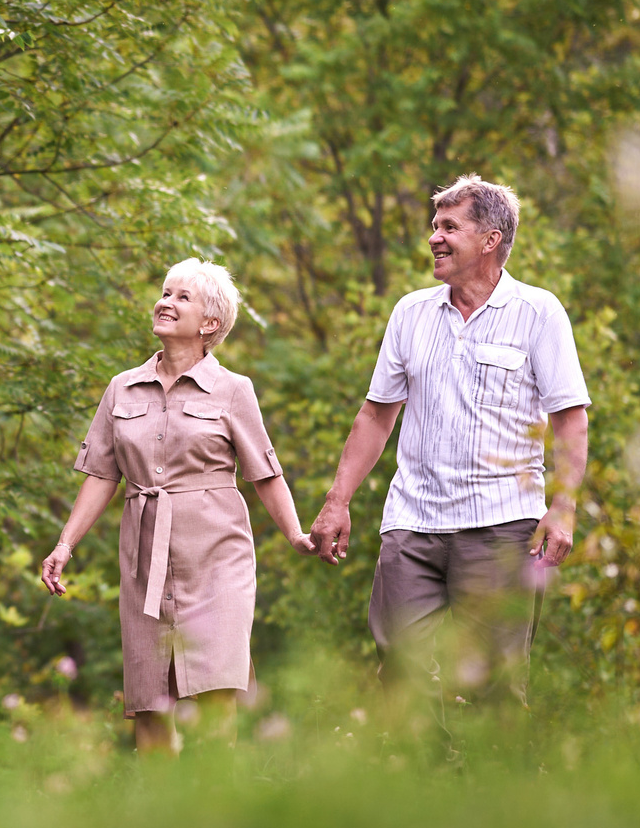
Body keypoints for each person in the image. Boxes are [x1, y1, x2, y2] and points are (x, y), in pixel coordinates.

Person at [307, 176, 590, 695]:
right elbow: (376, 415)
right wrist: (336, 500)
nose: (434, 237)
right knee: (401, 675)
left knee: (496, 687)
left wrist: (564, 506)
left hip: (502, 527)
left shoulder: (538, 313)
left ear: (490, 240)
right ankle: (416, 751)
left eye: (449, 227)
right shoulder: (410, 313)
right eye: (434, 226)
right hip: (412, 523)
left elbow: (570, 419)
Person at [39, 259, 310, 752]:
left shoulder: (234, 390)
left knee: (215, 691)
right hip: (145, 563)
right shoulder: (121, 387)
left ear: (210, 322)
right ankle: (159, 800)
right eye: (166, 293)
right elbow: (101, 474)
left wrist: (296, 535)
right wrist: (64, 544)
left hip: (217, 561)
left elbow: (265, 474)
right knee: (150, 701)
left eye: (183, 297)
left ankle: (216, 797)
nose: (166, 302)